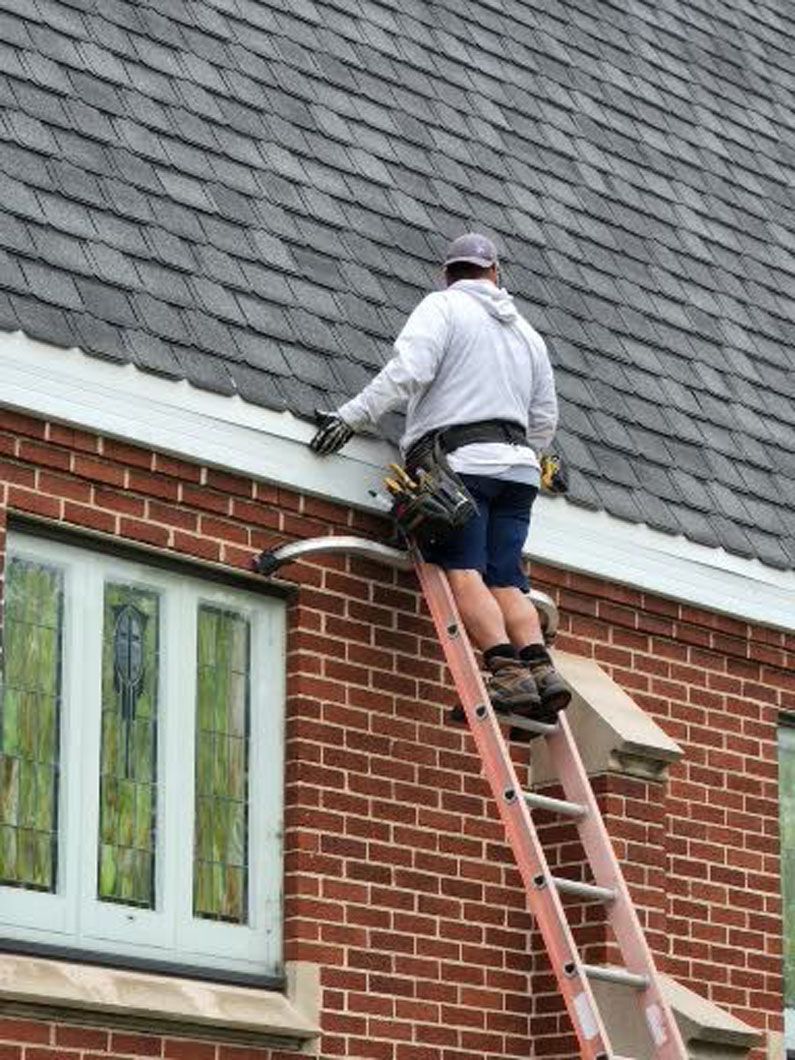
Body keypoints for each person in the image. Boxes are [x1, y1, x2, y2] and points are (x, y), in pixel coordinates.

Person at [310, 233, 570, 722]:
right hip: (519, 469)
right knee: (506, 578)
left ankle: (508, 673)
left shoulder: (443, 308)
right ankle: (541, 668)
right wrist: (527, 457)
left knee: (465, 570)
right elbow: (545, 421)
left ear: (448, 274)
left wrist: (351, 418)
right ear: (496, 274)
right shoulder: (529, 337)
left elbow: (408, 371)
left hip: (463, 462)